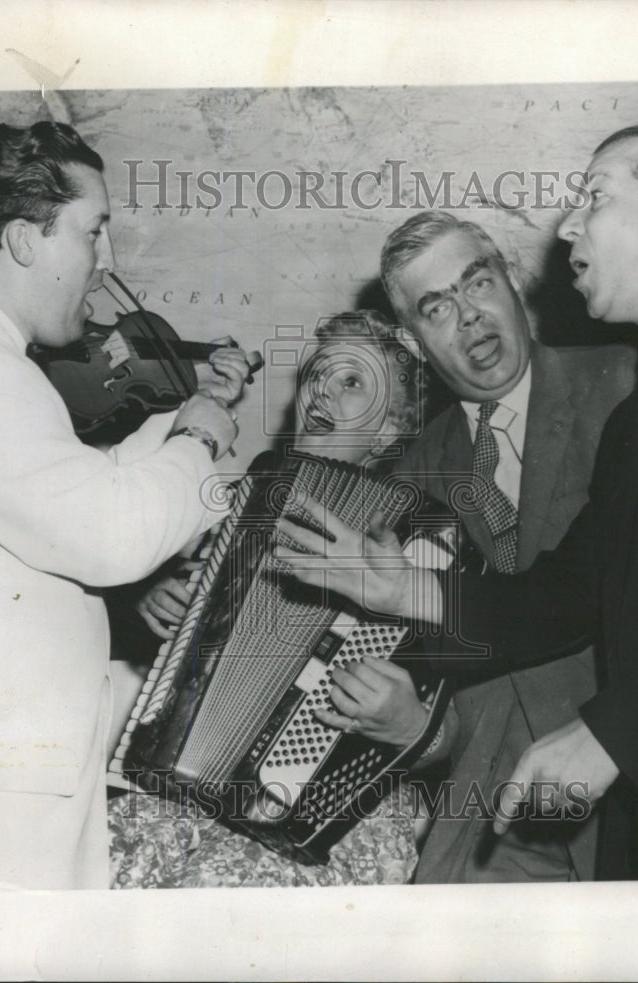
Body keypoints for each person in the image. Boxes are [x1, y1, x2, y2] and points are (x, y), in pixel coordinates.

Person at [275, 122, 638, 880]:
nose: (567, 225)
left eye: (595, 198)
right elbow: (566, 596)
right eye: (436, 307)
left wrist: (611, 737)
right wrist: (404, 585)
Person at [0, 121, 254, 891]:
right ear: (25, 240)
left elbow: (78, 489)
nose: (106, 259)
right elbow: (112, 534)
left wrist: (184, 426)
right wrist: (202, 440)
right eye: (94, 231)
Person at [313, 211, 636, 884]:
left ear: (512, 282)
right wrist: (411, 726)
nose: (469, 316)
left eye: (477, 283)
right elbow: (438, 699)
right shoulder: (402, 485)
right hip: (497, 820)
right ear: (413, 338)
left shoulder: (626, 384)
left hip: (635, 790)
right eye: (437, 308)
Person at [108, 310, 442, 888]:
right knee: (104, 866)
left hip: (322, 812)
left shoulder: (422, 542)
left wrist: (411, 722)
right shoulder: (229, 495)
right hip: (178, 781)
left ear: (389, 429)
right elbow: (125, 595)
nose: (322, 391)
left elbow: (452, 730)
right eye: (319, 373)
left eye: (353, 381)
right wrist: (146, 593)